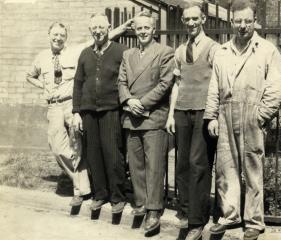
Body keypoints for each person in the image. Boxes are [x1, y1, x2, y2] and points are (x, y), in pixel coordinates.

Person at [203, 0, 281, 239]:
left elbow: (277, 85)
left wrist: (261, 114)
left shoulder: (266, 49)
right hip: (225, 112)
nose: (242, 26)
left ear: (254, 21)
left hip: (253, 114)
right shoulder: (222, 51)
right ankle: (230, 216)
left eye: (247, 21)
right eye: (238, 21)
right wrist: (211, 117)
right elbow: (214, 86)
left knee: (252, 168)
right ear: (231, 22)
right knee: (226, 167)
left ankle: (253, 221)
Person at [26, 20, 131, 206]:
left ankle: (81, 190)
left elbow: (99, 36)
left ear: (66, 37)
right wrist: (43, 85)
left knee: (78, 146)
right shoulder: (41, 57)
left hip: (72, 104)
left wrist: (121, 28)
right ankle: (85, 178)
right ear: (48, 35)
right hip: (54, 106)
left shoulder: (75, 51)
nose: (58, 38)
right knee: (57, 147)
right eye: (55, 35)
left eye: (62, 35)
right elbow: (29, 75)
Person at [165, 1, 219, 239]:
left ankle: (197, 221)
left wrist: (213, 114)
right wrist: (170, 115)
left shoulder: (214, 48)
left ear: (203, 20)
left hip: (203, 112)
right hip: (182, 112)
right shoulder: (179, 50)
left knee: (199, 163)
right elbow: (177, 85)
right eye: (187, 19)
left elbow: (218, 83)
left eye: (195, 19)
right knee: (182, 164)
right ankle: (185, 214)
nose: (190, 23)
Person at [118, 12, 174, 235]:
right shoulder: (128, 54)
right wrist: (129, 101)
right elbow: (121, 81)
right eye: (139, 28)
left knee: (154, 167)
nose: (142, 32)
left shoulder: (164, 52)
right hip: (131, 116)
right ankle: (140, 203)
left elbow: (165, 83)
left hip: (152, 116)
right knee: (136, 164)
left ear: (154, 30)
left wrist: (141, 102)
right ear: (135, 30)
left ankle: (153, 210)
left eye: (146, 28)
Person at [72, 13, 128, 214]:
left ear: (109, 27)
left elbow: (127, 80)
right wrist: (76, 112)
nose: (97, 31)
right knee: (93, 154)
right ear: (90, 30)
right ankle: (100, 194)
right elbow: (78, 83)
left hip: (111, 110)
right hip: (88, 112)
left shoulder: (121, 51)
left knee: (113, 154)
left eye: (101, 27)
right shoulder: (85, 54)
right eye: (93, 28)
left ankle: (117, 197)